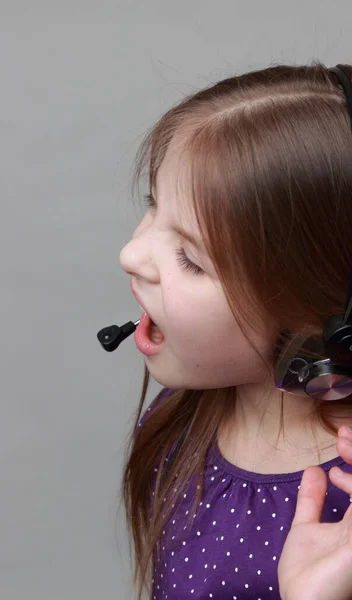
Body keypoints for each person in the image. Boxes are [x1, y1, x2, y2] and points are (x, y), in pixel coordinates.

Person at [118, 62, 352, 600]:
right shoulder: (182, 417)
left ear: (330, 322)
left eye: (191, 260)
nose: (131, 254)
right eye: (153, 205)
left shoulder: (340, 513)